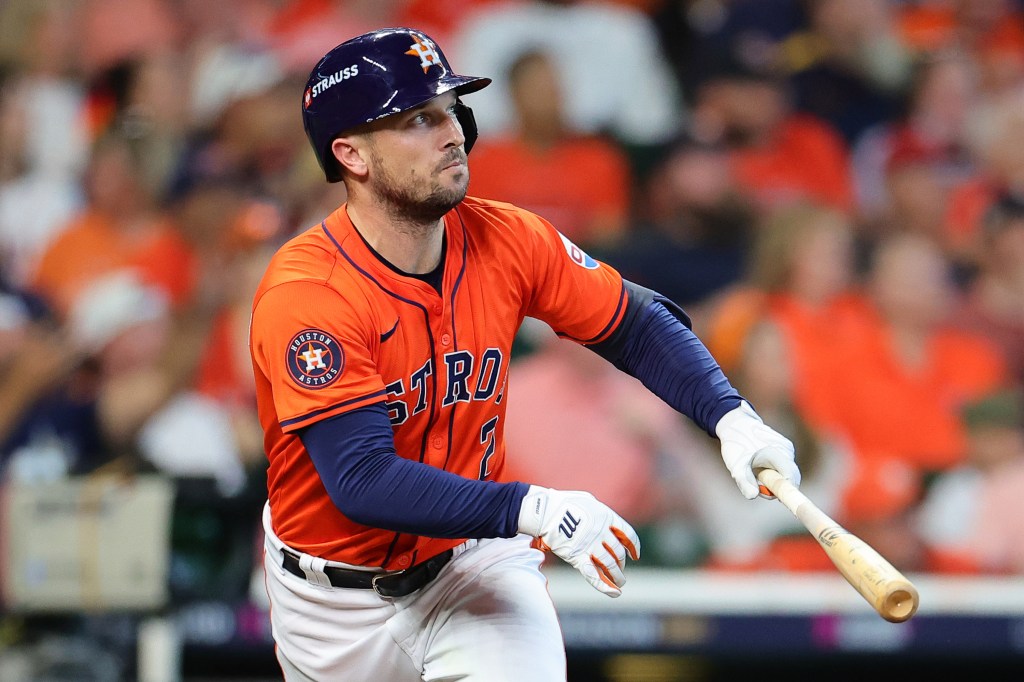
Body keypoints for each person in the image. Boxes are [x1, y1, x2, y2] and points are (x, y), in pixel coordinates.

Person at [248, 27, 801, 682]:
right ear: (352, 156)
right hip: (330, 602)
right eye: (417, 120)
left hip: (472, 564)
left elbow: (635, 322)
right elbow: (363, 479)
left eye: (449, 110)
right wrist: (532, 507)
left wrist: (730, 415)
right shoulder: (309, 292)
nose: (451, 133)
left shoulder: (508, 236)